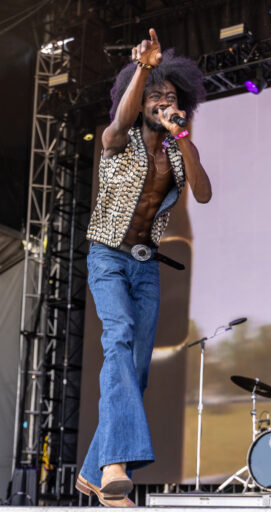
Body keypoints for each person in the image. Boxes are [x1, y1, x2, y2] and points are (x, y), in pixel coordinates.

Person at [76, 28, 211, 507]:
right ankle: (114, 468)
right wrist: (144, 69)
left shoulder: (177, 151)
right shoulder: (119, 138)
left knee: (137, 369)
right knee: (119, 339)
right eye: (155, 95)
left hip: (146, 265)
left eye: (170, 97)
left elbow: (203, 192)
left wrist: (183, 135)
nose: (162, 101)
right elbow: (119, 118)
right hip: (108, 256)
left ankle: (92, 474)